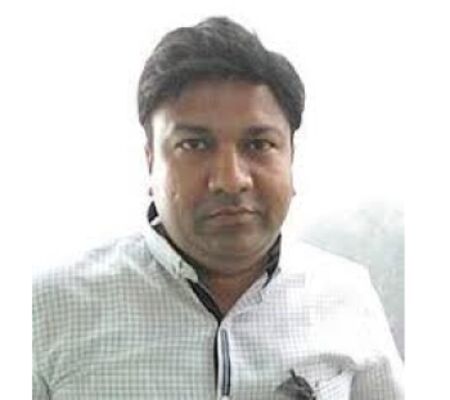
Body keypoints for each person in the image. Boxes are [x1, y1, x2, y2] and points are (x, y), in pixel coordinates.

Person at [33, 17, 404, 399]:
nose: (230, 180)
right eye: (194, 145)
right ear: (150, 161)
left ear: (291, 157)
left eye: (258, 144)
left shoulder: (347, 296)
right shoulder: (47, 309)